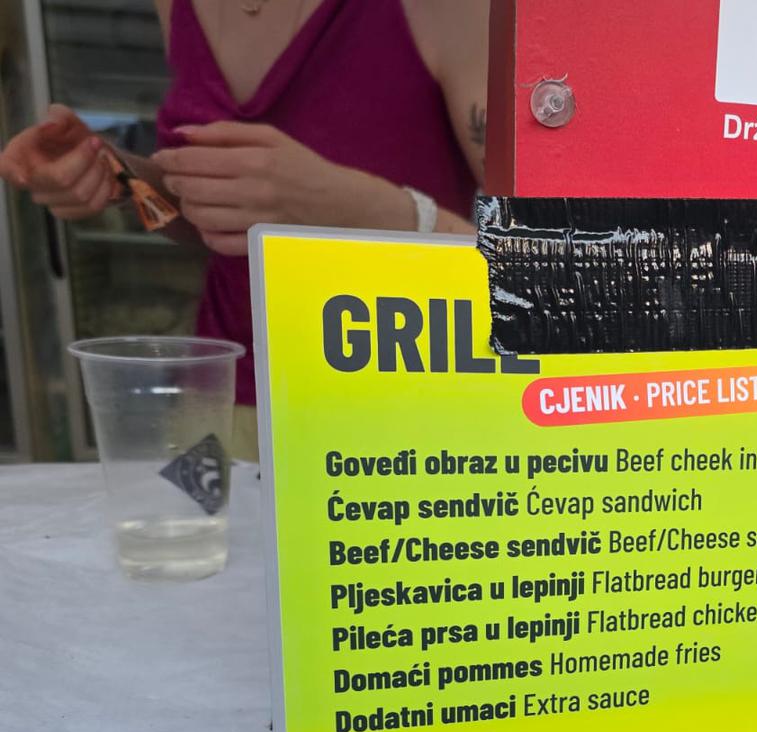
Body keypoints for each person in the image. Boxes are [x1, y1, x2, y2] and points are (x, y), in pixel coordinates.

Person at [0, 0, 489, 459]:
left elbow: (534, 263)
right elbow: (223, 224)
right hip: (223, 403)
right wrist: (118, 177)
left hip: (404, 419)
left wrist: (366, 210)